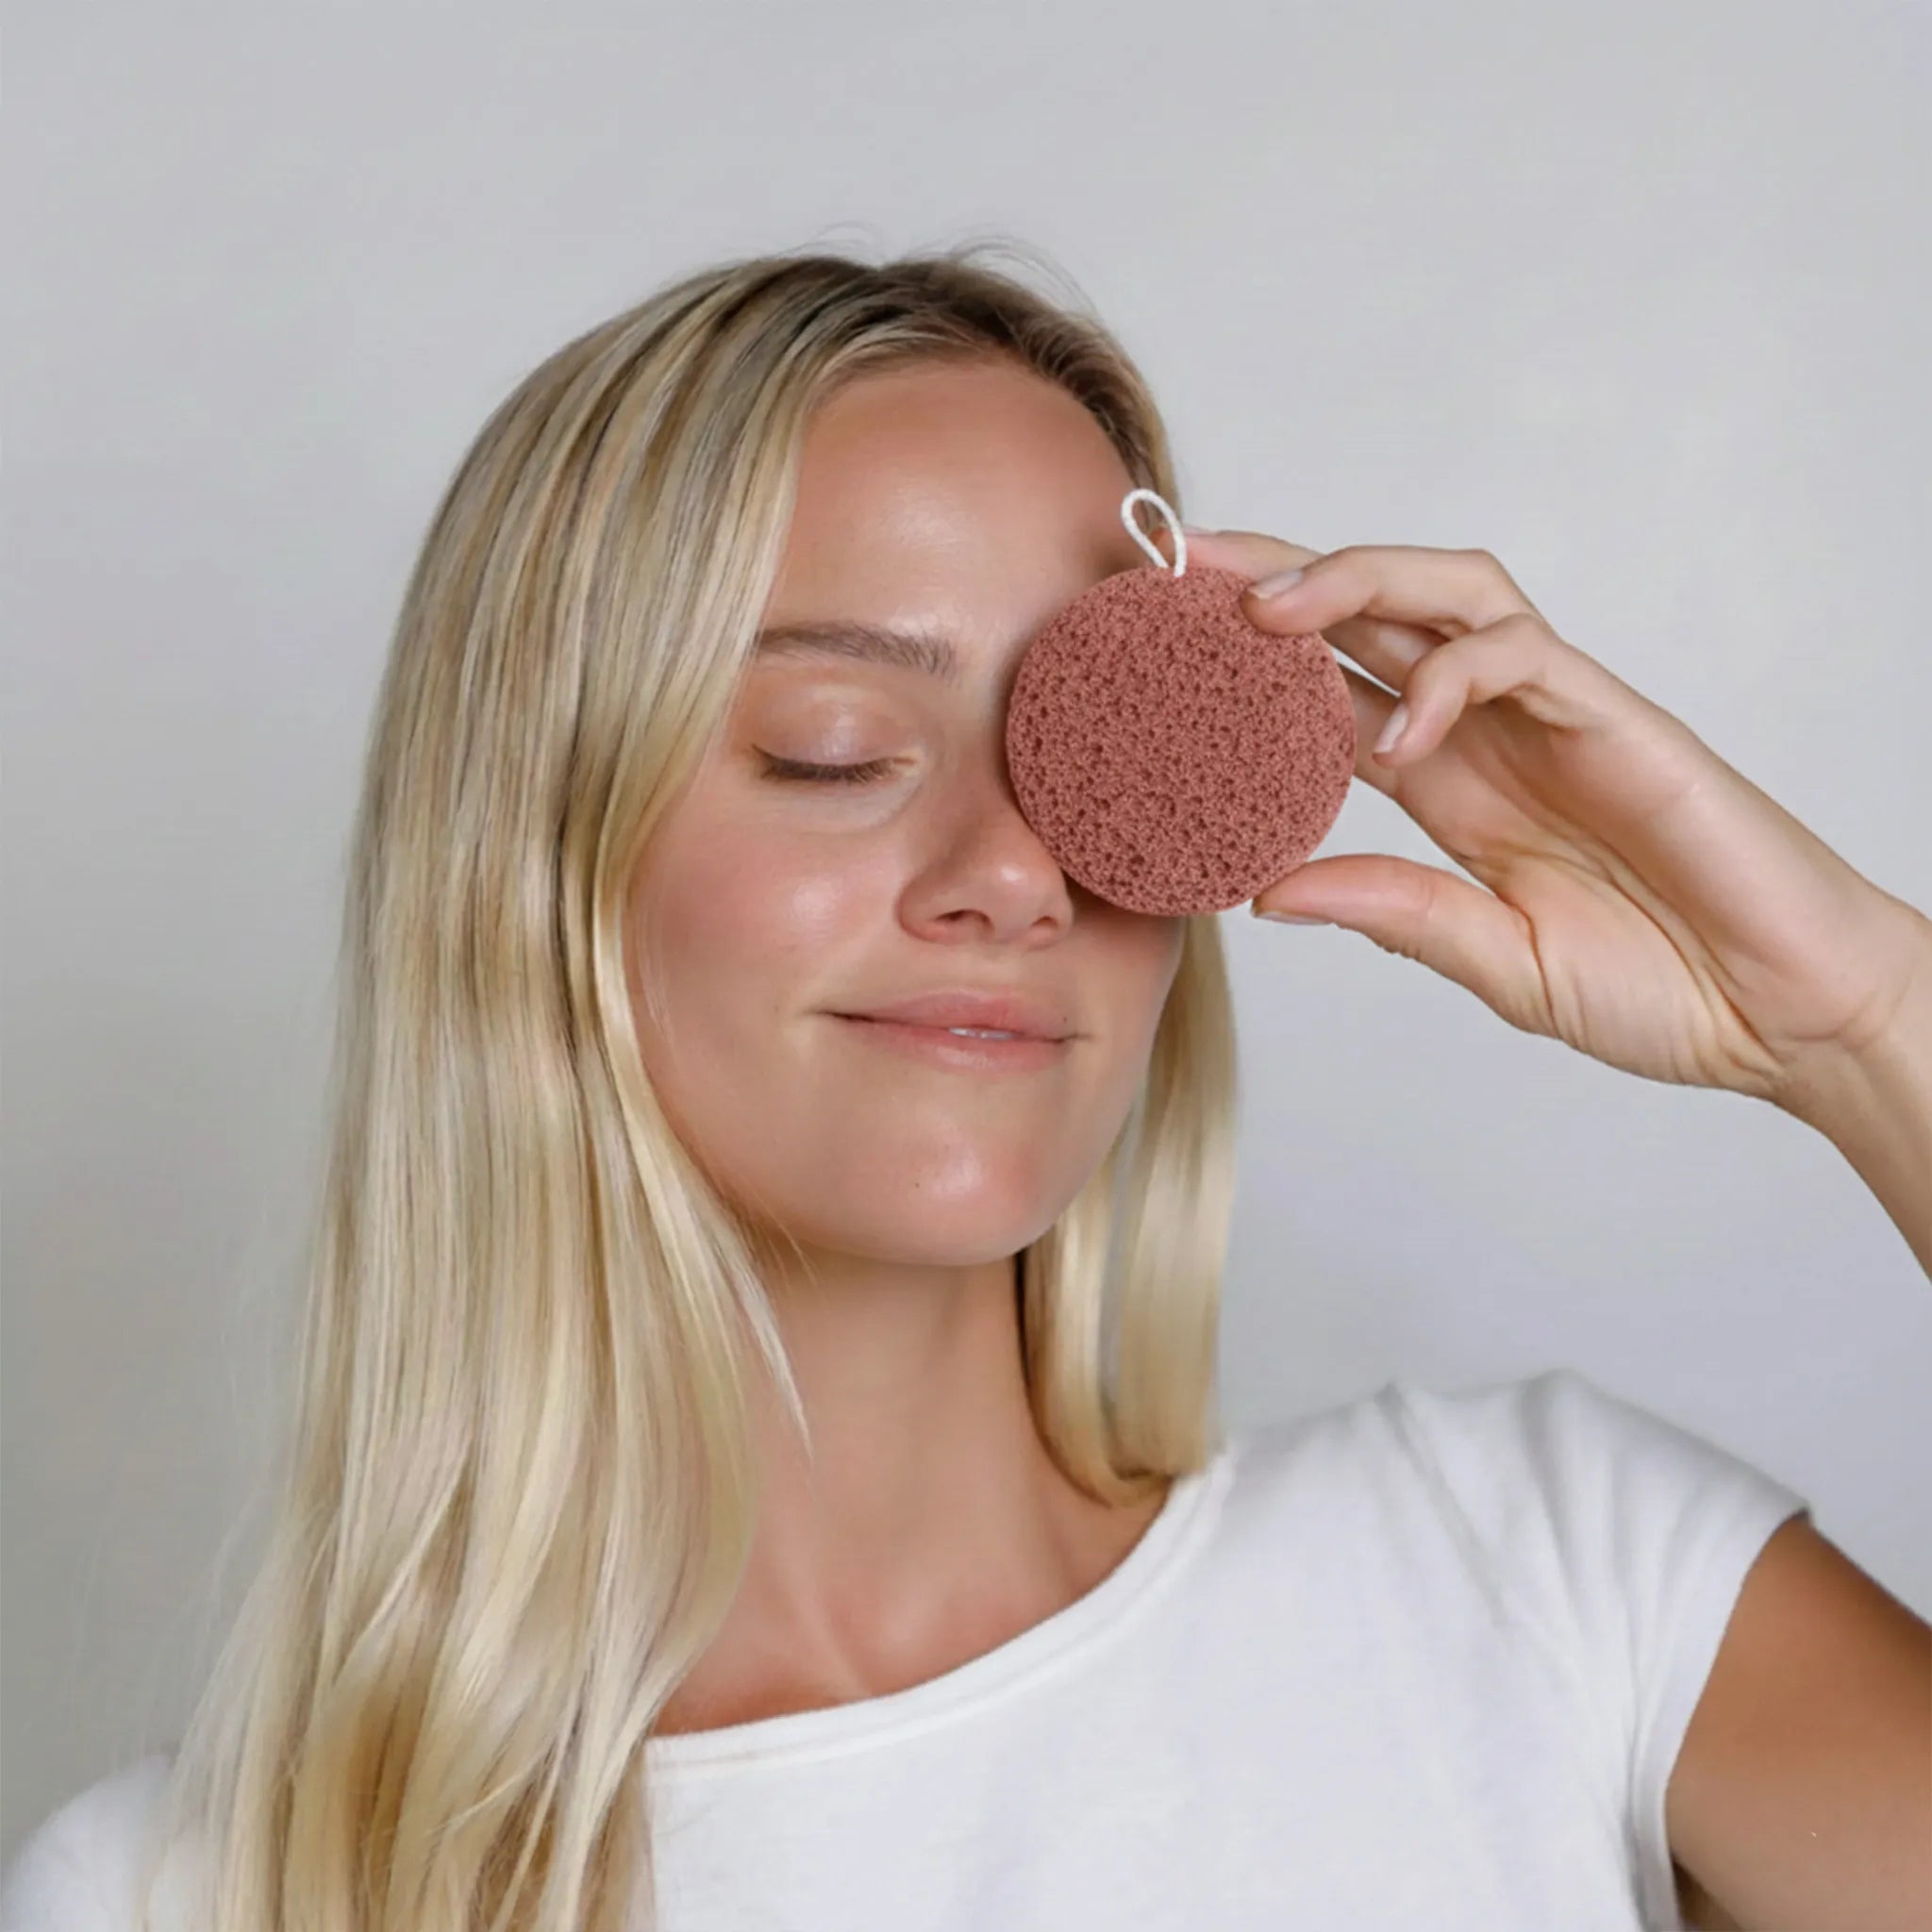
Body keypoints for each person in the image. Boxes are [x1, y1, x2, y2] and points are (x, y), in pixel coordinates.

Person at [4, 243, 1928, 1932]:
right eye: (836, 747)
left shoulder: (1553, 1581)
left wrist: (1857, 1023)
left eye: (1105, 753)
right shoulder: (183, 1894)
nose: (1017, 872)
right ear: (533, 858)